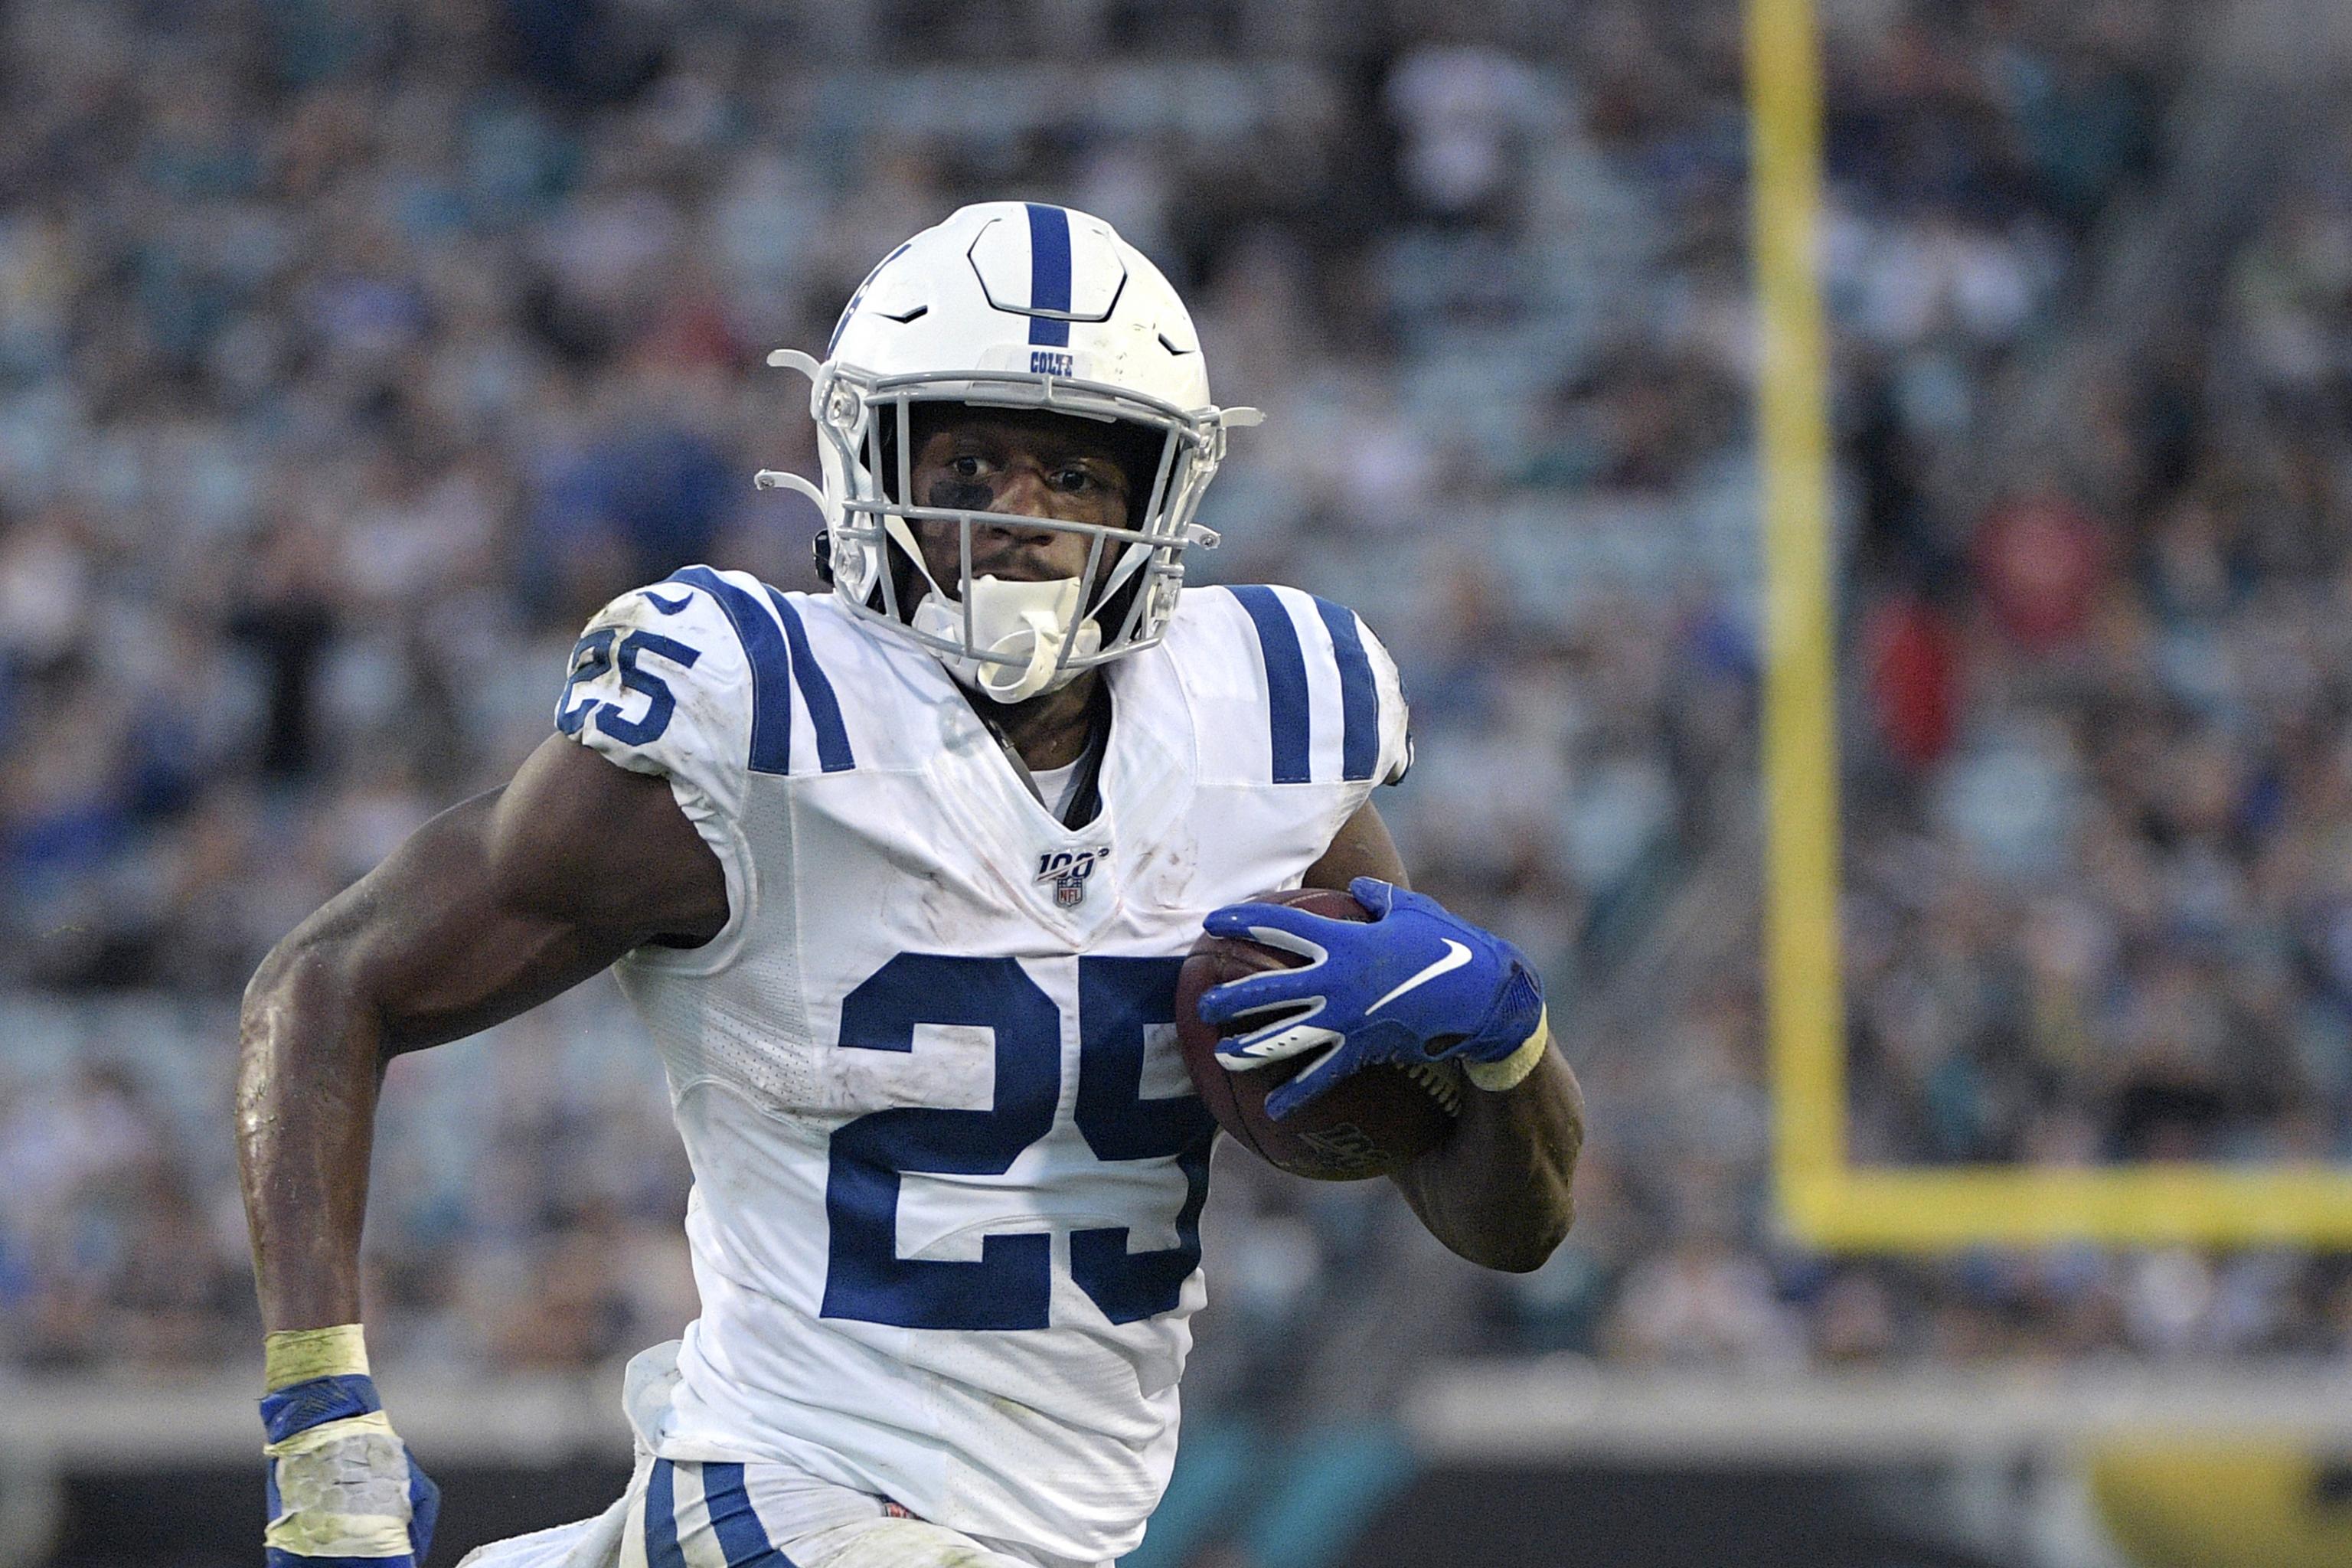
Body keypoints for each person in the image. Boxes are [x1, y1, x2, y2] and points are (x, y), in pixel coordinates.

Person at [237, 202, 1584, 1568]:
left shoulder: (1265, 732)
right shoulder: (757, 721)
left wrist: (1503, 1033)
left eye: (1074, 473)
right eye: (971, 461)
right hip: (791, 1486)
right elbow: (330, 983)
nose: (1019, 518)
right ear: (865, 460)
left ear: (1155, 503)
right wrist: (321, 1415)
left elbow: (1514, 1226)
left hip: (1056, 1531)